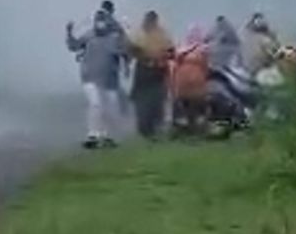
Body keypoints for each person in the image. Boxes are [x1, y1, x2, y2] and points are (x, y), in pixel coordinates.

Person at [66, 9, 127, 148]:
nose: (100, 24)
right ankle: (93, 134)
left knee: (110, 107)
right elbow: (73, 46)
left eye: (103, 20)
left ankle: (106, 136)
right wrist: (69, 33)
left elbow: (125, 50)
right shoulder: (89, 36)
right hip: (90, 77)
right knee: (96, 104)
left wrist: (122, 32)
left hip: (109, 80)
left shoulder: (114, 38)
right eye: (98, 20)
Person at [129, 11, 174, 140]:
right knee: (142, 100)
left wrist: (163, 59)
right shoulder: (139, 33)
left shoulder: (162, 33)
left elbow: (170, 50)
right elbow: (132, 49)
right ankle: (145, 127)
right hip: (144, 70)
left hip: (157, 70)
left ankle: (155, 126)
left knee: (157, 99)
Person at [170, 25, 211, 133]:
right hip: (197, 83)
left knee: (184, 105)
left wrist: (173, 83)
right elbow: (206, 67)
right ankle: (197, 128)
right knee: (197, 105)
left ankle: (184, 129)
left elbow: (174, 66)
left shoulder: (180, 49)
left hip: (182, 83)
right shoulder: (203, 50)